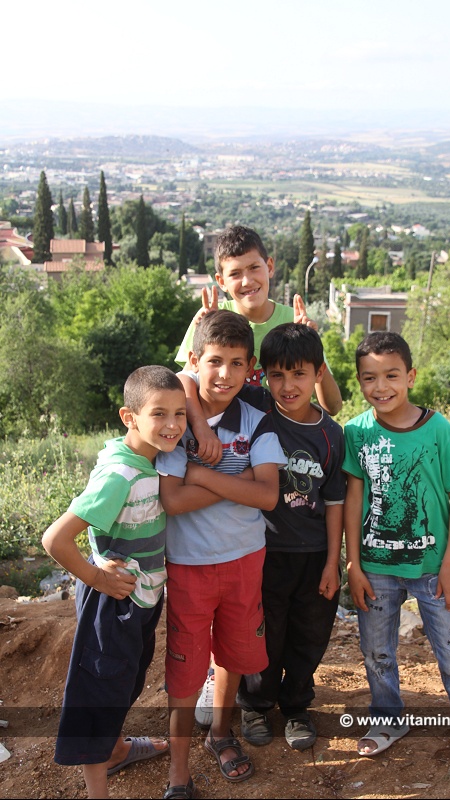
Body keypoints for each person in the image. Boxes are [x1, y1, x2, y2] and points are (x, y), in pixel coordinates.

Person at [343, 331, 450, 773]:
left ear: (411, 376)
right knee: (377, 652)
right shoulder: (357, 432)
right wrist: (354, 564)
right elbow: (354, 498)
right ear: (359, 382)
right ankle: (387, 718)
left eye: (391, 375)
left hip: (434, 567)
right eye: (369, 378)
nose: (381, 387)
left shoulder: (438, 430)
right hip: (376, 568)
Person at [156, 310, 287, 799]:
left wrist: (204, 475)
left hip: (244, 560)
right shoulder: (176, 425)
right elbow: (172, 500)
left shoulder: (258, 421)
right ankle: (178, 771)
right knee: (187, 666)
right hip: (188, 563)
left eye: (236, 363)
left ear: (250, 367)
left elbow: (269, 496)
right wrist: (242, 482)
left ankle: (220, 733)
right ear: (195, 361)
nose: (225, 374)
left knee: (232, 652)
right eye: (214, 361)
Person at [42, 366, 187, 800]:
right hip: (114, 601)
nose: (173, 425)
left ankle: (118, 747)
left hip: (137, 598)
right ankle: (98, 786)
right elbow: (55, 539)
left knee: (125, 679)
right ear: (130, 417)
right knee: (100, 691)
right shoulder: (120, 475)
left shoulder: (144, 459)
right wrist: (96, 579)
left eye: (180, 413)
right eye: (159, 414)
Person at [235, 323, 346, 751]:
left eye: (299, 374)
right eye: (277, 375)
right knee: (266, 634)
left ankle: (297, 705)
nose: (287, 385)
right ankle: (256, 705)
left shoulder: (330, 434)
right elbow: (203, 379)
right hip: (263, 552)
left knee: (310, 633)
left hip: (315, 554)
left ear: (318, 373)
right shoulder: (256, 416)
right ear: (262, 377)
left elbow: (335, 500)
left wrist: (333, 562)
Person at [176, 224, 342, 466]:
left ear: (270, 267)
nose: (247, 280)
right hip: (223, 448)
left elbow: (333, 406)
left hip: (281, 449)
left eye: (254, 267)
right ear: (221, 281)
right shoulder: (211, 321)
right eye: (235, 274)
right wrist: (200, 427)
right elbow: (182, 385)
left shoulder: (293, 322)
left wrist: (312, 345)